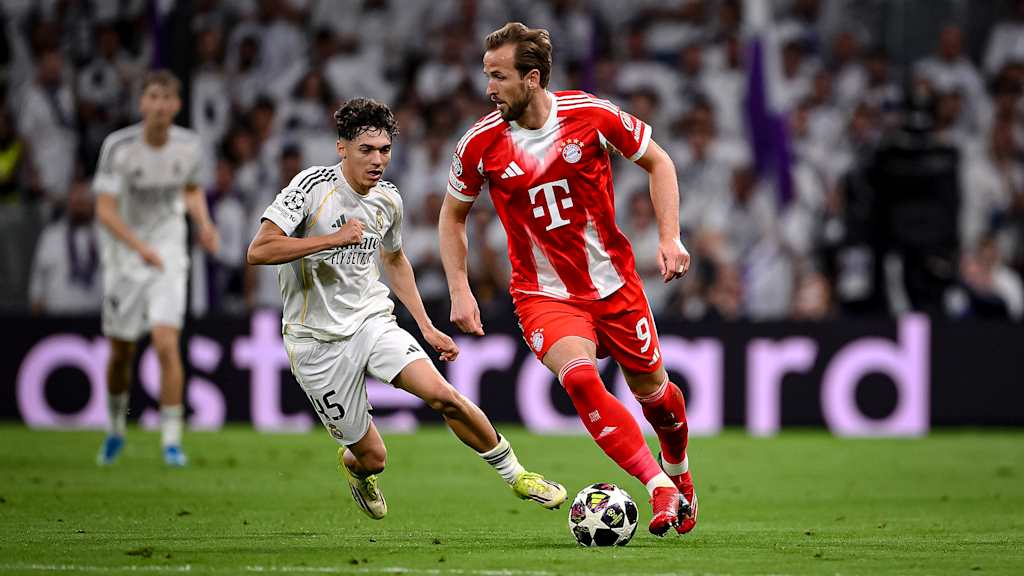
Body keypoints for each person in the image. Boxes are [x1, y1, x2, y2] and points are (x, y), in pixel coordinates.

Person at [246, 97, 566, 520]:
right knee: (373, 456)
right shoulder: (310, 188)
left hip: (371, 322)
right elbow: (259, 249)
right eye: (366, 150)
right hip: (315, 342)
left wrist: (427, 327)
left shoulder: (388, 201)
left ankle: (518, 476)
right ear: (342, 148)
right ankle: (357, 469)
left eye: (384, 150)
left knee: (443, 396)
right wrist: (330, 239)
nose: (378, 160)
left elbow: (394, 260)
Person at [440, 22, 697, 537]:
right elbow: (452, 216)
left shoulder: (590, 115)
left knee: (657, 399)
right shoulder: (480, 144)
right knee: (579, 377)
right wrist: (460, 289)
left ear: (531, 79)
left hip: (615, 285)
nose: (489, 88)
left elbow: (659, 161)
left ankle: (679, 469)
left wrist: (670, 237)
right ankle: (657, 486)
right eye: (487, 76)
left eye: (499, 76)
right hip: (543, 293)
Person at [93, 70, 220, 467]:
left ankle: (171, 441)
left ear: (177, 106)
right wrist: (139, 247)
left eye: (168, 98)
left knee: (167, 344)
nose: (160, 105)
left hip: (167, 253)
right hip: (125, 258)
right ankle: (116, 430)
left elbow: (192, 188)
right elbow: (104, 210)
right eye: (153, 97)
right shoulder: (119, 147)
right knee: (121, 353)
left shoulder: (189, 146)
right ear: (142, 103)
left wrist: (204, 223)